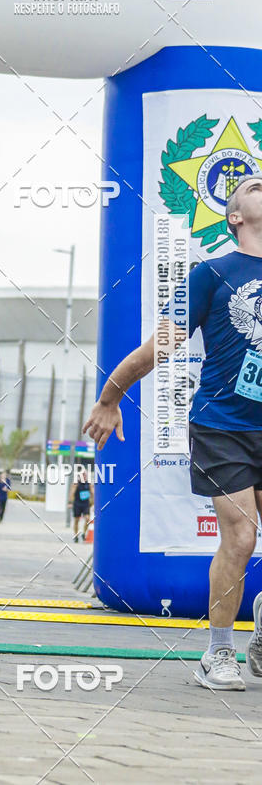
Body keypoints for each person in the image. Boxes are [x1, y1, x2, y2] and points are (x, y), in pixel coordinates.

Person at [83, 174, 262, 691]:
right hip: (223, 426)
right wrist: (110, 397)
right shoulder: (210, 274)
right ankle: (218, 652)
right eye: (251, 185)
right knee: (242, 535)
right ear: (234, 216)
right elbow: (157, 346)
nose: (260, 182)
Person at [68, 469, 92, 542]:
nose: (84, 476)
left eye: (85, 475)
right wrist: (70, 502)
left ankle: (84, 533)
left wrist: (94, 503)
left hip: (85, 504)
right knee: (76, 520)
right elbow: (72, 493)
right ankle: (76, 536)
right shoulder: (76, 483)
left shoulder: (89, 484)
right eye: (83, 475)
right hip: (77, 504)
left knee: (88, 519)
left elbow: (93, 493)